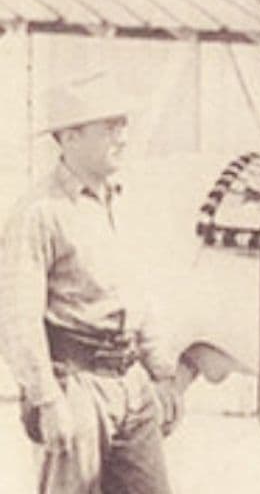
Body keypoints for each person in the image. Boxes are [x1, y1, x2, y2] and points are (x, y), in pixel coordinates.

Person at [1, 73, 183, 494]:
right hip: (75, 387)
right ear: (69, 137)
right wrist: (48, 401)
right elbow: (17, 320)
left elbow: (140, 295)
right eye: (109, 126)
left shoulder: (124, 201)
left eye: (123, 124)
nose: (122, 136)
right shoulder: (38, 213)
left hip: (132, 384)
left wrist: (162, 373)